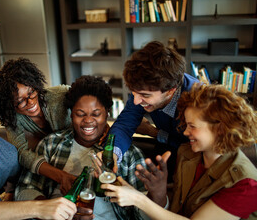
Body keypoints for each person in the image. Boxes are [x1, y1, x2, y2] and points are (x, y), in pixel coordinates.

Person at [14, 75, 161, 220]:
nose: (88, 121)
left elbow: (144, 216)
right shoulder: (51, 144)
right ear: (71, 114)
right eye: (80, 114)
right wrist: (50, 210)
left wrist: (157, 195)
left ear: (107, 114)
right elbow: (24, 189)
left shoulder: (129, 155)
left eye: (96, 114)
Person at [102, 84, 257, 219]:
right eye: (186, 125)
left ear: (220, 129)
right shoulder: (187, 153)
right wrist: (159, 192)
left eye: (193, 126)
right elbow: (177, 208)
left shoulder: (246, 185)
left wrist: (138, 199)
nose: (185, 132)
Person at [0, 58, 75, 194]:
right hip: (53, 158)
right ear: (8, 106)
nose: (31, 102)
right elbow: (21, 153)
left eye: (31, 92)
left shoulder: (61, 95)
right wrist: (60, 176)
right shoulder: (13, 118)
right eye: (20, 101)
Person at [109, 41, 199, 176]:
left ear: (170, 91)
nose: (136, 101)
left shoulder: (198, 102)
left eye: (145, 95)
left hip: (193, 159)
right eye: (133, 92)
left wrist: (155, 133)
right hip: (166, 147)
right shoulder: (142, 88)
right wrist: (112, 154)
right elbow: (124, 124)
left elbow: (193, 148)